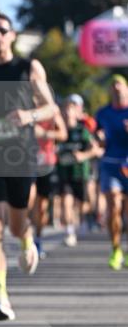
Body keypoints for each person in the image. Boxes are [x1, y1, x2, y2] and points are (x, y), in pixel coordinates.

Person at [0, 12, 57, 322]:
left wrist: (29, 116)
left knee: (16, 225)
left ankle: (27, 240)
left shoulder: (28, 68)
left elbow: (51, 107)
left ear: (12, 35)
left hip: (19, 154)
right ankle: (0, 297)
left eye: (3, 30)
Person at [56, 95, 100, 247]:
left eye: (71, 109)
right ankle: (69, 232)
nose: (68, 113)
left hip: (80, 172)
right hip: (64, 173)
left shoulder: (82, 130)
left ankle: (85, 220)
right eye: (65, 109)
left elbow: (95, 150)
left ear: (76, 112)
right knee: (66, 202)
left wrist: (83, 155)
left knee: (82, 204)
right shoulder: (58, 130)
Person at [94, 74, 128, 270]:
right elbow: (97, 138)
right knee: (114, 205)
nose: (116, 88)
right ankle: (116, 249)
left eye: (120, 85)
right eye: (113, 85)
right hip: (110, 164)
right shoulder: (103, 113)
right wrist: (98, 139)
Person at [31, 106, 67, 258]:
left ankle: (37, 239)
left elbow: (63, 134)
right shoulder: (24, 107)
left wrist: (44, 133)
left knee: (41, 207)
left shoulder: (52, 110)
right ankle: (25, 236)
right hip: (26, 162)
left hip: (47, 163)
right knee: (28, 200)